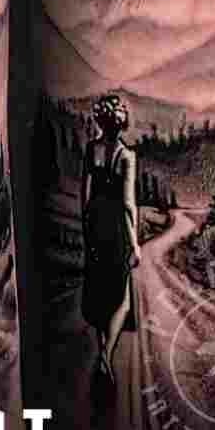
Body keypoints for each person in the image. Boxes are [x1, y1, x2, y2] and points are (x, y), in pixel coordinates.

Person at [80, 95, 139, 387]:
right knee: (122, 298)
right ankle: (105, 356)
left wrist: (87, 224)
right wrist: (135, 243)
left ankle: (102, 348)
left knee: (99, 291)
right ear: (121, 122)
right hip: (116, 226)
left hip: (94, 223)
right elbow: (128, 204)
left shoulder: (92, 149)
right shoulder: (126, 156)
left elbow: (85, 194)